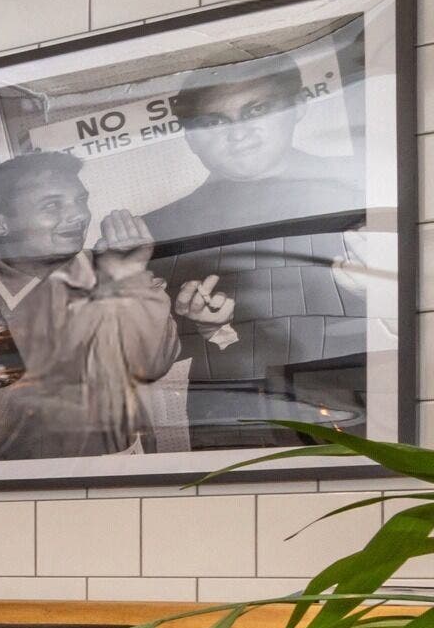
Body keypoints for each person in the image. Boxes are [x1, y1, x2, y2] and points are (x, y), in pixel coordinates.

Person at [144, 57, 372, 450]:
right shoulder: (159, 229)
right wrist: (205, 330)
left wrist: (377, 293)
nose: (238, 133)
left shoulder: (365, 186)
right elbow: (143, 359)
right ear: (191, 137)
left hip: (359, 403)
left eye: (257, 110)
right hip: (232, 421)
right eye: (214, 121)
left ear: (298, 107)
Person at [0, 149, 193, 461]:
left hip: (122, 462)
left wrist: (130, 276)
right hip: (21, 472)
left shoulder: (110, 270)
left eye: (80, 200)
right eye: (52, 205)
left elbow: (153, 364)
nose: (78, 215)